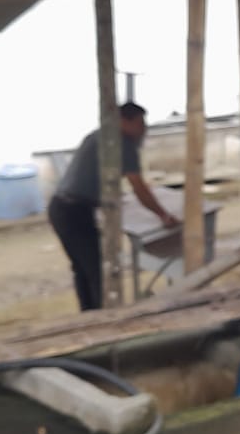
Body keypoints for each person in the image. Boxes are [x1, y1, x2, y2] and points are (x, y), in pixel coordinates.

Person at [48, 102, 178, 311]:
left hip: (62, 207)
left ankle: (90, 314)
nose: (143, 130)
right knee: (96, 270)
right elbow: (139, 187)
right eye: (140, 124)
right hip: (74, 211)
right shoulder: (122, 143)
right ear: (124, 121)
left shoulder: (97, 135)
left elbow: (96, 175)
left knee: (83, 269)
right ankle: (101, 317)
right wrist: (163, 215)